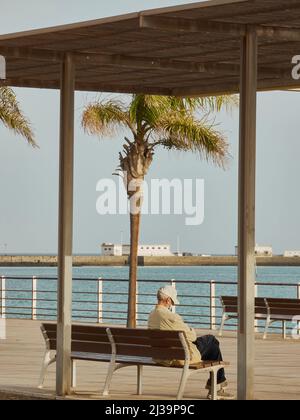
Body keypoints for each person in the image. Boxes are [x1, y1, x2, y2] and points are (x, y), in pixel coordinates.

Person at [148, 285, 234, 400]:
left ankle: (217, 385)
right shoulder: (172, 317)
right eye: (172, 302)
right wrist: (191, 330)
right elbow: (192, 337)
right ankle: (217, 387)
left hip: (161, 356)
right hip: (180, 356)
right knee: (212, 341)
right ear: (168, 300)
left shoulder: (151, 315)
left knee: (210, 343)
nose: (171, 305)